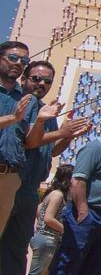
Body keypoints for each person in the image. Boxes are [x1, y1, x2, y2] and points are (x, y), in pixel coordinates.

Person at [2, 60, 88, 275]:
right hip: (15, 181)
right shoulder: (24, 103)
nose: (41, 83)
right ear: (24, 79)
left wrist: (68, 135)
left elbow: (51, 150)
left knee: (17, 246)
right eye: (36, 78)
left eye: (47, 81)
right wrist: (61, 132)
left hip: (30, 187)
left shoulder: (43, 109)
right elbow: (29, 141)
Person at [49, 112, 101, 275]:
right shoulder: (94, 148)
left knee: (96, 269)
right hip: (87, 214)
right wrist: (83, 211)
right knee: (69, 265)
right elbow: (78, 180)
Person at [0, 42, 57, 244]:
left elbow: (31, 141)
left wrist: (64, 133)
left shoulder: (26, 100)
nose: (18, 63)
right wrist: (13, 118)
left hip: (10, 177)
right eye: (13, 58)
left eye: (23, 61)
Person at [25, 164, 72, 275]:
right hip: (47, 239)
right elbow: (49, 218)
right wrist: (65, 229)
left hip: (42, 237)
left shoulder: (51, 193)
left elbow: (39, 210)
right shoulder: (58, 195)